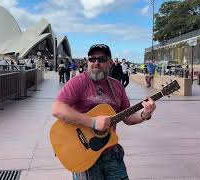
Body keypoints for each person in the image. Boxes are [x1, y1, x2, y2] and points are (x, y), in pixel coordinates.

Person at [52, 44, 156, 180]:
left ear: (110, 62)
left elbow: (128, 117)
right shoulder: (79, 82)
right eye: (92, 59)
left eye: (101, 59)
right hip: (84, 153)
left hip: (111, 151)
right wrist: (93, 122)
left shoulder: (117, 86)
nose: (96, 63)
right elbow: (57, 108)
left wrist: (145, 115)